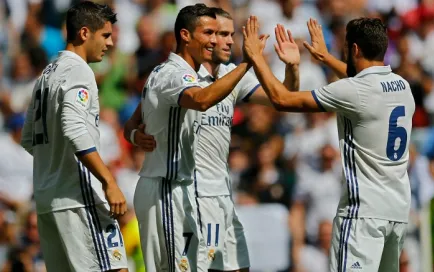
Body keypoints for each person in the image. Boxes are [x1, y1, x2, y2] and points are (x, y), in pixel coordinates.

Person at [125, 7, 299, 272]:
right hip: (182, 191)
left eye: (229, 34)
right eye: (215, 33)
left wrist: (292, 66)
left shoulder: (228, 75)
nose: (224, 40)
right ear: (188, 36)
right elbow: (200, 100)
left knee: (237, 266)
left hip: (218, 192)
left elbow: (284, 97)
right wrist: (249, 61)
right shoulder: (175, 75)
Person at [243, 16, 415, 271]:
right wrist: (324, 57)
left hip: (363, 215)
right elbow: (360, 84)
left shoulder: (353, 91)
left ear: (354, 49)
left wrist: (256, 57)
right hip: (397, 212)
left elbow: (281, 99)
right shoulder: (402, 86)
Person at [20, 2, 131, 271]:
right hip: (79, 197)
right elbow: (73, 126)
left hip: (48, 200)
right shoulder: (79, 70)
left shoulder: (46, 75)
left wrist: (55, 161)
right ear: (84, 33)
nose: (111, 42)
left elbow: (27, 138)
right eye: (105, 35)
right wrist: (108, 181)